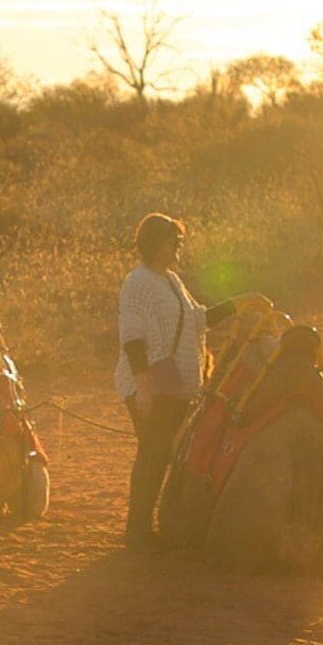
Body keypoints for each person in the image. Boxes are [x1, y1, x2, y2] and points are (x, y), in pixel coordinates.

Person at [115, 212, 206, 550]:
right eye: (171, 242)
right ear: (154, 244)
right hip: (150, 377)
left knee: (162, 452)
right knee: (153, 451)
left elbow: (198, 319)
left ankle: (144, 529)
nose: (176, 248)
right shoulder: (137, 282)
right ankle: (136, 532)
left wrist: (239, 307)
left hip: (170, 377)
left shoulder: (171, 281)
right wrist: (142, 387)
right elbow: (133, 335)